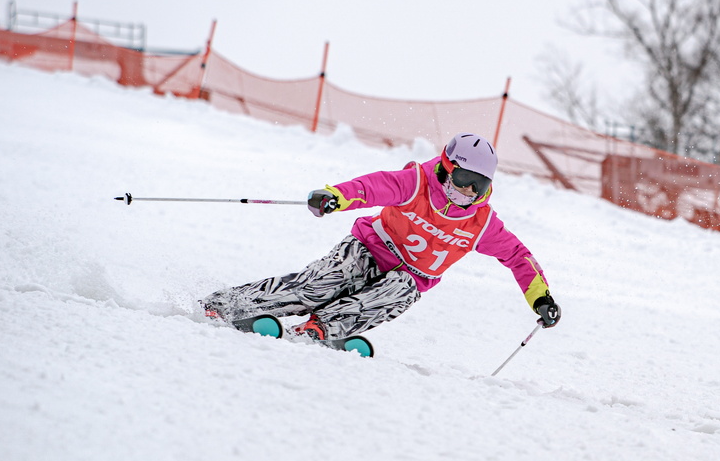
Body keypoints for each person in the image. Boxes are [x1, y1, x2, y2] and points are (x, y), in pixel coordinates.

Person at [201, 132, 561, 356]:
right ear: (447, 167)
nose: (468, 192)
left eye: (478, 185)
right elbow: (373, 187)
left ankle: (321, 330)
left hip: (410, 275)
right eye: (464, 179)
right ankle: (233, 304)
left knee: (400, 290)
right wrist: (335, 196)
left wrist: (540, 298)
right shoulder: (417, 181)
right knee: (322, 283)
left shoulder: (481, 222)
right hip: (370, 249)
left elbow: (517, 256)